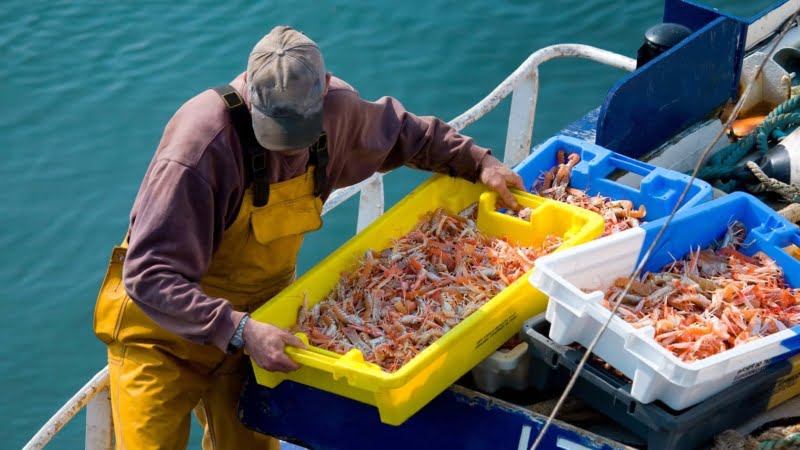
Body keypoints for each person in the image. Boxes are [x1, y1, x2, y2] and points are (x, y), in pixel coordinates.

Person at [92, 25, 524, 450]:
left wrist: (478, 163)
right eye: (275, 133)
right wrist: (238, 328)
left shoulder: (339, 111)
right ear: (249, 96)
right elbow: (148, 275)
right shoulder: (200, 148)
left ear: (325, 90)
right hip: (162, 335)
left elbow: (408, 134)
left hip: (258, 328)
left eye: (299, 134)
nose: (287, 149)